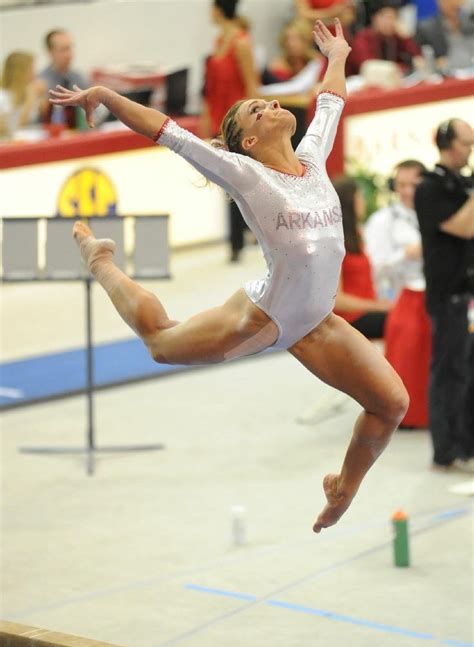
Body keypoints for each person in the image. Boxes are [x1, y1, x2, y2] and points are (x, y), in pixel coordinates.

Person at [50, 20, 408, 534]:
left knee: (391, 404)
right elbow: (165, 130)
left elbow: (331, 102)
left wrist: (338, 55)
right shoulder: (244, 174)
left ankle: (342, 488)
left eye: (264, 101)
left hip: (316, 320)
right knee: (160, 342)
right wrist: (105, 94)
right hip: (264, 317)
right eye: (253, 111)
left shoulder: (312, 160)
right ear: (249, 139)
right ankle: (101, 259)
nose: (266, 104)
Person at [414, 118, 474, 471]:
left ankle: (467, 442)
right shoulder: (430, 188)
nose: (469, 151)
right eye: (466, 144)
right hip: (448, 294)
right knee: (449, 372)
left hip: (469, 291)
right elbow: (464, 228)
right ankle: (445, 449)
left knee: (470, 371)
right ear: (447, 145)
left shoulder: (463, 183)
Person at [365, 160, 431, 428]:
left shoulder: (435, 213)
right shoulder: (383, 221)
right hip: (400, 295)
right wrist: (406, 254)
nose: (406, 191)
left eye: (412, 185)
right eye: (401, 185)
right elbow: (377, 266)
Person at [201, 0, 260, 263]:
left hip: (238, 124)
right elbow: (211, 88)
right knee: (228, 183)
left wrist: (254, 128)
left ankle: (240, 239)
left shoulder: (241, 43)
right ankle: (237, 239)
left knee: (238, 183)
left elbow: (251, 87)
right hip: (219, 122)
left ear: (218, 10)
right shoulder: (218, 41)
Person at [333, 176, 392, 338]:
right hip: (351, 319)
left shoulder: (357, 236)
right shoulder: (336, 242)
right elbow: (337, 299)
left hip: (366, 311)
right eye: (360, 197)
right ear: (350, 202)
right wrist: (377, 306)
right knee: (402, 321)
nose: (363, 201)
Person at [350, 0, 423, 74]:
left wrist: (406, 37)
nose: (389, 22)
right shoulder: (362, 38)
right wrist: (398, 68)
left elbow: (418, 58)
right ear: (374, 18)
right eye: (386, 17)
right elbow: (367, 65)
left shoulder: (395, 37)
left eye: (393, 18)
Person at [38, 29, 89, 128]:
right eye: (63, 50)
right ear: (50, 52)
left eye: (70, 48)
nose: (69, 54)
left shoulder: (79, 78)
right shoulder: (41, 82)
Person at [416, 0, 474, 73]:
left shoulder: (470, 19)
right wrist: (435, 64)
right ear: (439, 3)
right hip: (449, 75)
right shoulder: (428, 28)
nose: (455, 4)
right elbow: (420, 61)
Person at [0, 52, 45, 138]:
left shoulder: (26, 92)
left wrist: (43, 96)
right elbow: (15, 127)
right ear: (19, 73)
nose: (34, 74)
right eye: (31, 70)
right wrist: (31, 98)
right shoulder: (3, 97)